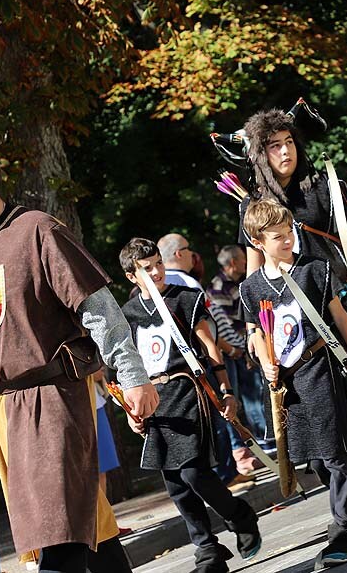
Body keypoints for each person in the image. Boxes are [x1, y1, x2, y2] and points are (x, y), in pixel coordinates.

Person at [0, 139, 159, 573]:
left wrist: (133, 373)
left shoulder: (37, 230)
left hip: (52, 400)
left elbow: (98, 308)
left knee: (57, 534)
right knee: (86, 531)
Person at [238, 108, 347, 525]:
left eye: (289, 141)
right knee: (311, 413)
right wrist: (258, 332)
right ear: (261, 154)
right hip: (291, 324)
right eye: (274, 145)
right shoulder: (254, 204)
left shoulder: (324, 188)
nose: (284, 151)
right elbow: (253, 269)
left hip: (339, 302)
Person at [240, 198, 347, 569]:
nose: (287, 241)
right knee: (316, 459)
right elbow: (256, 333)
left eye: (289, 234)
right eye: (277, 237)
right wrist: (264, 361)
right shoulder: (251, 289)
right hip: (288, 384)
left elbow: (340, 317)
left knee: (336, 454)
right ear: (257, 241)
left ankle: (345, 532)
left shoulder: (314, 270)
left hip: (320, 369)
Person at [118, 238, 261, 573]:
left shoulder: (185, 298)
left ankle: (238, 515)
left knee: (194, 473)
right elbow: (126, 365)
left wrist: (225, 390)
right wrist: (132, 411)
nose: (155, 271)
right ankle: (207, 549)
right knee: (176, 484)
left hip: (188, 390)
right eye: (146, 268)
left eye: (157, 263)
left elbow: (210, 346)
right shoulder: (128, 315)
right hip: (154, 400)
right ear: (130, 276)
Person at [159, 232, 258, 487]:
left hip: (171, 367)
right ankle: (226, 474)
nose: (194, 255)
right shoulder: (186, 284)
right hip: (202, 359)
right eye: (189, 248)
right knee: (219, 415)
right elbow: (207, 326)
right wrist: (226, 350)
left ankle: (214, 475)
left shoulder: (153, 287)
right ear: (180, 253)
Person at [207, 245, 271, 472]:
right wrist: (239, 349)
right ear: (232, 263)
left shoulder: (233, 285)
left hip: (242, 346)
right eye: (243, 260)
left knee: (254, 390)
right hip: (236, 349)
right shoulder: (219, 288)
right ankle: (265, 440)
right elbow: (227, 325)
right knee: (250, 392)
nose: (246, 264)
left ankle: (265, 437)